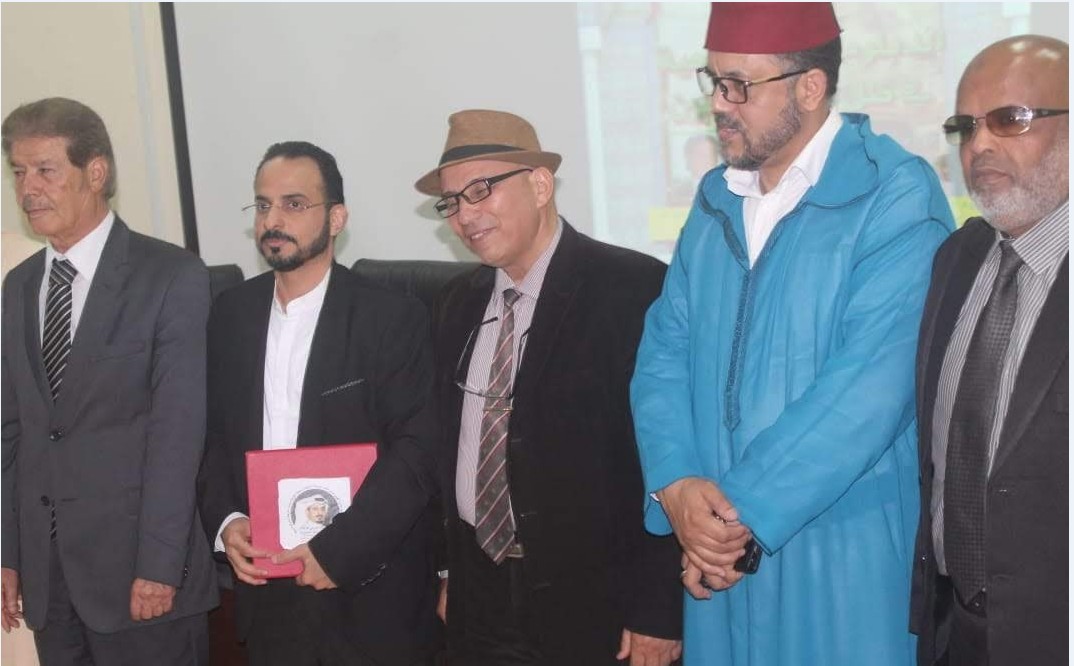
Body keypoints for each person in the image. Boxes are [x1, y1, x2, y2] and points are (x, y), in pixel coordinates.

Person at [630, 4, 953, 664]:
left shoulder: (893, 194)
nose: (719, 104)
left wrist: (734, 514)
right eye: (714, 80)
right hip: (718, 554)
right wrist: (677, 484)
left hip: (842, 547)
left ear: (809, 87)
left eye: (739, 85)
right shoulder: (716, 199)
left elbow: (871, 388)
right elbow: (664, 352)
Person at [421, 109, 683, 665]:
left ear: (540, 185)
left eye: (481, 190)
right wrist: (449, 570)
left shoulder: (632, 289)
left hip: (595, 604)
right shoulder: (455, 303)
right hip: (479, 598)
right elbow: (447, 451)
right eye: (452, 202)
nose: (465, 215)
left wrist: (660, 607)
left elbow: (670, 454)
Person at [197, 141, 440, 665]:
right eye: (263, 205)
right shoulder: (231, 314)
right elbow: (211, 436)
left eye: (293, 204)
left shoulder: (391, 317)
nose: (272, 220)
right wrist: (227, 521)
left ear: (336, 218)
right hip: (267, 592)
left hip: (367, 595)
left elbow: (416, 454)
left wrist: (338, 552)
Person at [0, 97, 217, 664]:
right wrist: (9, 551)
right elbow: (13, 431)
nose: (27, 189)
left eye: (45, 170)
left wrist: (160, 564)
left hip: (142, 579)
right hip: (50, 584)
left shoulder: (170, 276)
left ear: (95, 173)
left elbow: (178, 434)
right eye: (18, 172)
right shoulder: (19, 287)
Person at [910, 35, 1068, 666]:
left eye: (1010, 119)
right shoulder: (958, 256)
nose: (979, 145)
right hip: (955, 631)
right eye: (966, 126)